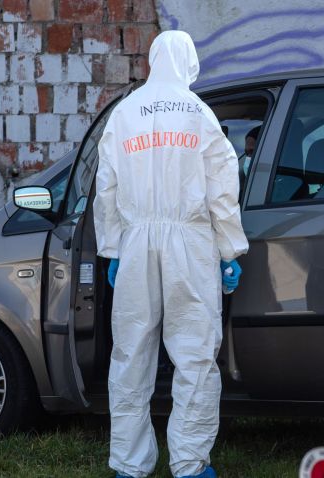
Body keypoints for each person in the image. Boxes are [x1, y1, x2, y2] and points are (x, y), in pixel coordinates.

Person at [93, 30, 249, 478]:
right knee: (195, 353)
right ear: (188, 62)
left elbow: (106, 189)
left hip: (137, 242)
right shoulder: (200, 114)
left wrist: (113, 249)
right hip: (190, 244)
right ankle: (190, 463)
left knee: (130, 354)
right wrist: (228, 249)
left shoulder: (124, 114)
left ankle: (129, 465)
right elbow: (223, 189)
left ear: (153, 61)